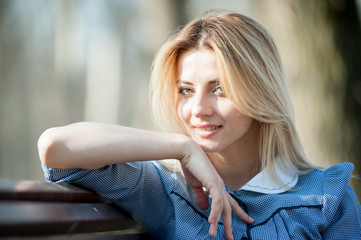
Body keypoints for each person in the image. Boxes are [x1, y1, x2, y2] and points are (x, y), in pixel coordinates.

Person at [38, 10, 361, 239]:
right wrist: (182, 147)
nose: (198, 109)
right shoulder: (165, 190)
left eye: (219, 88)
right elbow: (56, 147)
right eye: (186, 91)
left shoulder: (326, 199)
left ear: (262, 90)